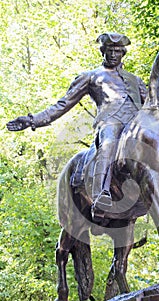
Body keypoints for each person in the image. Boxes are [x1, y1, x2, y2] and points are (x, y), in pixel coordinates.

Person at [7, 32, 147, 216]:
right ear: (102, 51)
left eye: (117, 51)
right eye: (109, 50)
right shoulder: (91, 77)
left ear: (123, 53)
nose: (113, 54)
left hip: (135, 127)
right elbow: (63, 104)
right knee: (107, 145)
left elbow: (151, 107)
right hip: (110, 124)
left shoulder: (135, 80)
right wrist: (33, 120)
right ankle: (100, 195)